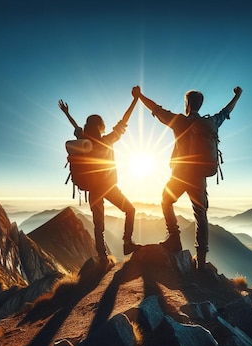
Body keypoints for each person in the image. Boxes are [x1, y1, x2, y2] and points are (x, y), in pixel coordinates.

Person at [132, 85, 242, 271]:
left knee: (166, 201)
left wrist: (140, 95)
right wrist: (237, 96)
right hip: (199, 176)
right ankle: (201, 260)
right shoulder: (211, 123)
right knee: (201, 215)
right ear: (200, 105)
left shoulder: (179, 121)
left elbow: (156, 109)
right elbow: (226, 111)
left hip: (180, 174)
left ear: (187, 105)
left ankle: (174, 237)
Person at [58, 91, 141, 263]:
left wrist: (67, 113)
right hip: (108, 187)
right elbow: (124, 122)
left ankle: (102, 256)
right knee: (130, 210)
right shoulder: (107, 140)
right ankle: (127, 242)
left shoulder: (83, 140)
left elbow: (76, 127)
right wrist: (134, 100)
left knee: (98, 224)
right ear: (100, 126)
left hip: (92, 188)